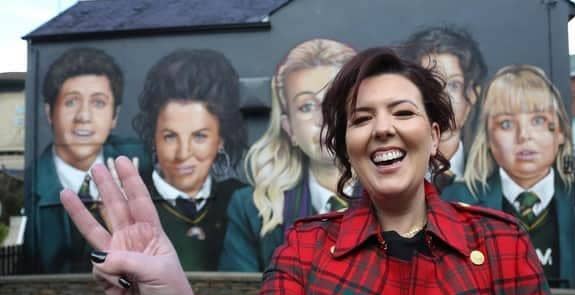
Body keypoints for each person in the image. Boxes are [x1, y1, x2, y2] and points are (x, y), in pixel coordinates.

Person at [61, 48, 575, 295]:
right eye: (361, 119)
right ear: (347, 146)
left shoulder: (500, 244)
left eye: (403, 112)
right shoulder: (306, 247)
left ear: (435, 132)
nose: (382, 128)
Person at [218, 39, 356, 272]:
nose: (323, 119)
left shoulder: (404, 197)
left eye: (336, 100)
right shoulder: (250, 209)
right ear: (289, 128)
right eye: (306, 106)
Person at [442, 64, 575, 288]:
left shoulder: (573, 195)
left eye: (538, 120)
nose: (524, 136)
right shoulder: (456, 200)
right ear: (488, 137)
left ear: (561, 131)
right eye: (506, 124)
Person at [24, 47, 149, 273]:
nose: (84, 116)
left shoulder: (144, 164)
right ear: (49, 112)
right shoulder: (29, 186)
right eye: (71, 102)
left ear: (115, 116)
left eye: (98, 103)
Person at [132, 49, 247, 271]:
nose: (183, 153)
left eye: (200, 136)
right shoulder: (129, 203)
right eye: (170, 136)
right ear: (153, 137)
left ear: (221, 139)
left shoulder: (241, 203)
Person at [401, 26, 487, 190]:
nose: (441, 97)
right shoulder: (388, 173)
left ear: (472, 95)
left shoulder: (490, 177)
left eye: (454, 85)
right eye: (429, 84)